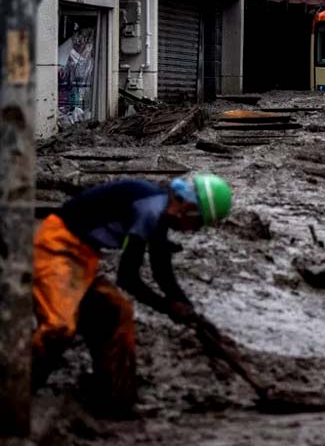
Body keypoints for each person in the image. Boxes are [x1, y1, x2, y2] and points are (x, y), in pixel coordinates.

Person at [31, 173, 232, 417]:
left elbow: (162, 271)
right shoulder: (149, 210)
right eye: (198, 222)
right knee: (58, 327)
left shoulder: (158, 209)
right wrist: (169, 307)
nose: (193, 230)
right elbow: (128, 278)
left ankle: (113, 400)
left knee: (117, 312)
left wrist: (189, 311)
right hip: (56, 247)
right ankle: (17, 387)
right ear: (188, 208)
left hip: (83, 257)